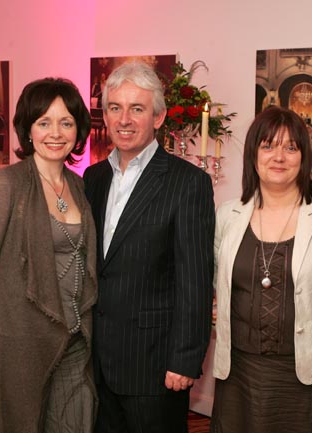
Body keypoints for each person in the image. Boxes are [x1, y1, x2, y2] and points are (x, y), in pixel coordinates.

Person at [83, 62, 214, 433]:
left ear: (158, 117)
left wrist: (186, 360)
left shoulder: (188, 183)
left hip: (155, 368)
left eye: (137, 109)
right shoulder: (93, 178)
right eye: (115, 108)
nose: (124, 119)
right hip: (96, 364)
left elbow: (195, 281)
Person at [0, 77, 97, 432]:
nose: (56, 132)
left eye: (66, 122)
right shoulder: (6, 185)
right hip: (18, 349)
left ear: (78, 129)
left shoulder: (78, 186)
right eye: (44, 122)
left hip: (74, 344)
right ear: (28, 129)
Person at [212, 106, 312, 433]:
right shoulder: (228, 214)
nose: (279, 156)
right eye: (268, 145)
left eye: (291, 147)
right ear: (253, 153)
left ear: (304, 156)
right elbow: (219, 285)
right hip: (238, 372)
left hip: (303, 376)